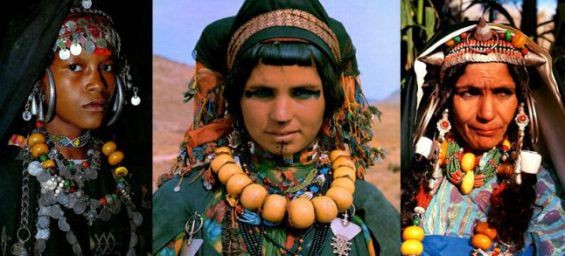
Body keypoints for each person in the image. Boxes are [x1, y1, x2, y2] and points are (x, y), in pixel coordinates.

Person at [153, 0, 400, 255]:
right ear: (236, 99)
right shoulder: (182, 204)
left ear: (329, 100)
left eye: (303, 93)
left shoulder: (368, 211)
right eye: (261, 93)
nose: (281, 115)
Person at [401, 18, 565, 255]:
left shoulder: (542, 189)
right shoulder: (418, 177)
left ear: (520, 104)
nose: (487, 113)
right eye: (469, 92)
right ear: (446, 100)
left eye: (502, 92)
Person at [0, 0, 151, 254]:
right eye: (75, 67)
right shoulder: (8, 178)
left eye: (106, 67)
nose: (98, 84)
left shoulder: (129, 174)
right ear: (39, 78)